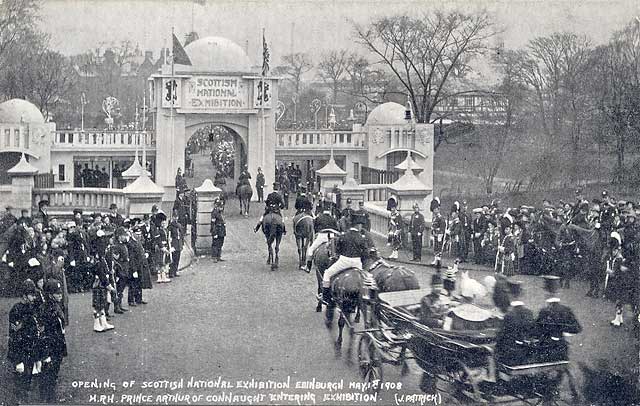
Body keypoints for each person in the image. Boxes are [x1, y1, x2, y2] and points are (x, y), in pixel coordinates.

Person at [321, 213, 370, 309]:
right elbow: (365, 254)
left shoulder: (344, 236)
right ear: (358, 225)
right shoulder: (361, 237)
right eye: (360, 225)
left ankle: (325, 298)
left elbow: (338, 250)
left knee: (327, 273)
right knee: (367, 279)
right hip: (357, 263)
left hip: (344, 261)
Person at [7, 279, 41, 404]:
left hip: (30, 349)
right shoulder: (16, 310)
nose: (34, 297)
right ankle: (19, 401)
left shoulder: (31, 308)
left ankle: (24, 399)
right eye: (31, 295)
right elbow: (15, 335)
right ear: (24, 295)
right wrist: (17, 359)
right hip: (20, 351)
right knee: (20, 379)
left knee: (28, 379)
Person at [536, 275, 582, 362]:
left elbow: (537, 331)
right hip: (562, 351)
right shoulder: (566, 310)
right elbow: (577, 328)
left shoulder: (544, 311)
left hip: (546, 351)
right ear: (558, 292)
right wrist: (562, 331)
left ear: (546, 293)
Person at [38, 278, 68, 403]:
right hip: (50, 346)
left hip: (58, 343)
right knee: (49, 371)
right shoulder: (45, 310)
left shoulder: (56, 305)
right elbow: (43, 332)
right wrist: (46, 353)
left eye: (60, 292)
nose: (60, 294)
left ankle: (49, 394)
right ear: (50, 295)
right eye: (57, 293)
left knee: (54, 370)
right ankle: (47, 397)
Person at [495, 280, 537, 366]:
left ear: (509, 294)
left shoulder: (509, 315)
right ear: (521, 294)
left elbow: (501, 337)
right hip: (526, 351)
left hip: (511, 354)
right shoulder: (529, 312)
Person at [305, 201, 340, 273]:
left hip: (322, 235)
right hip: (331, 236)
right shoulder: (333, 218)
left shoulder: (319, 217)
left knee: (311, 250)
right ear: (329, 209)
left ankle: (308, 267)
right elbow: (337, 229)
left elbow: (315, 228)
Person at [92, 230, 115, 332]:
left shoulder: (102, 259)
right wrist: (108, 284)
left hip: (101, 284)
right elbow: (101, 273)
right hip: (99, 284)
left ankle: (104, 322)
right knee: (98, 305)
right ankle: (97, 324)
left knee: (102, 304)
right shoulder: (99, 260)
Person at [111, 227, 130, 314]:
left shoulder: (123, 244)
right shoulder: (116, 246)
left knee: (121, 289)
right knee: (118, 288)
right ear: (119, 236)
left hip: (125, 267)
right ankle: (116, 306)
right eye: (123, 235)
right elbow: (116, 258)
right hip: (120, 269)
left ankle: (120, 305)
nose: (124, 237)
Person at [167, 210, 184, 278]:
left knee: (177, 258)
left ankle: (176, 270)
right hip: (173, 243)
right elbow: (169, 235)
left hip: (178, 243)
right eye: (174, 217)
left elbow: (181, 235)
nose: (176, 218)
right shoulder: (170, 226)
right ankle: (171, 272)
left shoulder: (179, 225)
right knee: (172, 258)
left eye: (176, 217)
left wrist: (182, 244)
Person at [431, 200, 446, 267]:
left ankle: (438, 261)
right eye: (434, 209)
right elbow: (433, 226)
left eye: (435, 209)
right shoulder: (435, 218)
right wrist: (433, 231)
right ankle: (435, 260)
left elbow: (442, 227)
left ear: (438, 209)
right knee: (435, 247)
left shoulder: (441, 218)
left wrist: (440, 234)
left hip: (439, 235)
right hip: (435, 234)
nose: (434, 211)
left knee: (439, 247)